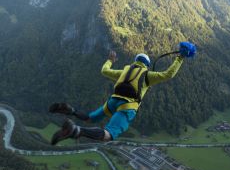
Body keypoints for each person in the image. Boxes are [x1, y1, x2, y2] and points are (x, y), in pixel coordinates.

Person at [49, 42, 196, 145]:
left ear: (135, 61)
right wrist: (180, 58)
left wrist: (110, 60)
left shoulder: (124, 71)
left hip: (113, 101)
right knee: (109, 134)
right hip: (127, 106)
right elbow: (168, 74)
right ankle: (76, 130)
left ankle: (71, 111)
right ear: (146, 64)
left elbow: (104, 71)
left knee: (90, 118)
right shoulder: (147, 75)